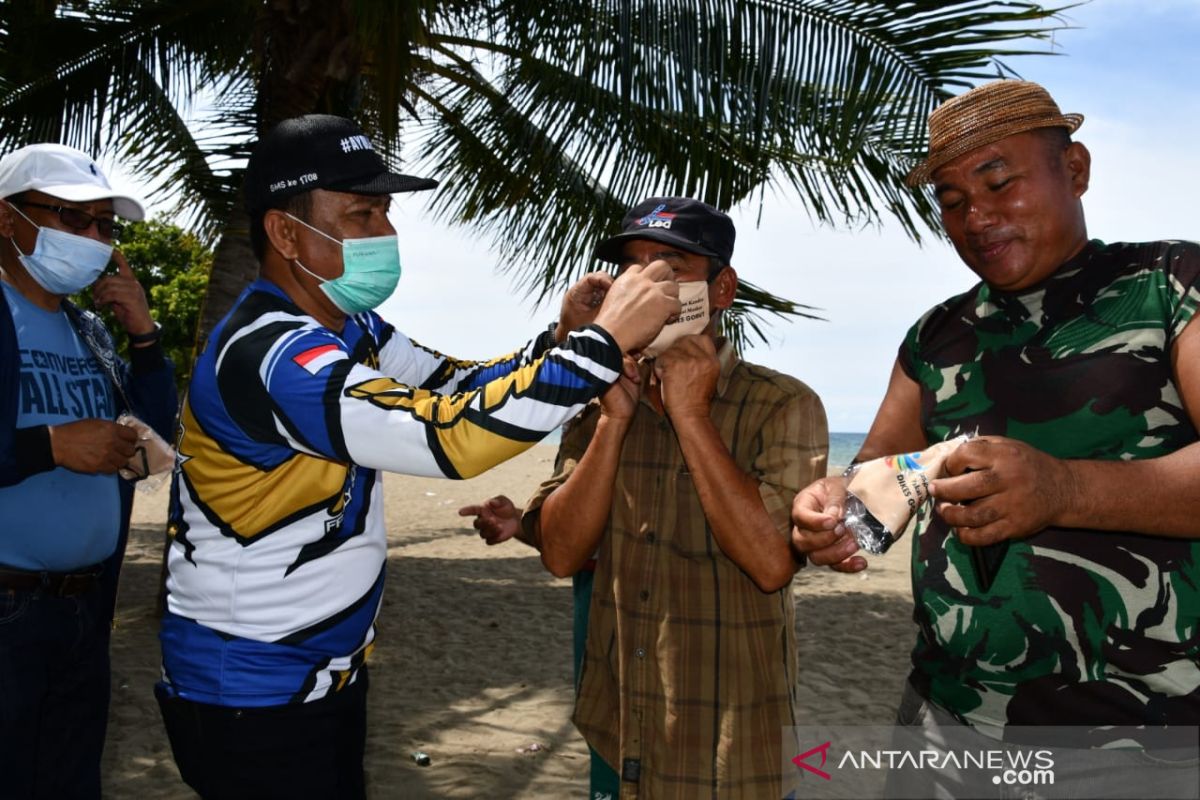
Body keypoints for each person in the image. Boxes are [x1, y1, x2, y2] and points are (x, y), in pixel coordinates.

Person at [155, 114, 680, 800]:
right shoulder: (270, 355)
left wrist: (564, 337)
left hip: (323, 671)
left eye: (386, 212)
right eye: (361, 213)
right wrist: (604, 345)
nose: (386, 234)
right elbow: (448, 438)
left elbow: (456, 384)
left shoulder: (348, 327)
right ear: (286, 233)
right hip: (249, 685)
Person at [791, 79, 1200, 793]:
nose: (976, 216)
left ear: (1074, 170)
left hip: (1143, 742)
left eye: (998, 181)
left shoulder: (1170, 283)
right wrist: (831, 509)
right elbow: (875, 476)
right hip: (945, 724)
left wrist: (1064, 488)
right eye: (951, 201)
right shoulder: (936, 335)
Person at [501, 196, 829, 798]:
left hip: (732, 737)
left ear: (721, 289)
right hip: (619, 720)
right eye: (634, 268)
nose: (647, 283)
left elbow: (770, 562)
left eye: (671, 267)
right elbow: (562, 555)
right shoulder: (602, 400)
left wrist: (690, 414)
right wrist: (612, 422)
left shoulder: (783, 403)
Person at [0, 143, 177, 798]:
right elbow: (58, 445)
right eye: (73, 219)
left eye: (105, 226)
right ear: (5, 219)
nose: (94, 239)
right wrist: (50, 446)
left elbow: (156, 438)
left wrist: (144, 336)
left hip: (83, 608)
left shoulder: (87, 331)